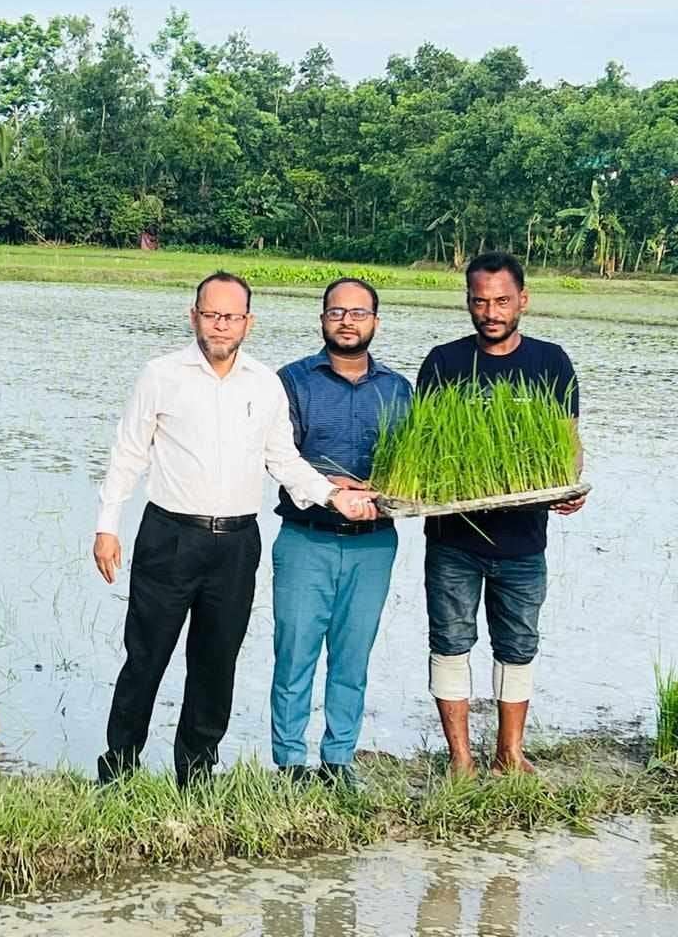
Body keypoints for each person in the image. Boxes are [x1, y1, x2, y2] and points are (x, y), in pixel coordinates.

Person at [92, 271, 380, 788]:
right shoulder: (161, 375)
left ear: (248, 321)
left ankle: (197, 774)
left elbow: (284, 461)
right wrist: (106, 527)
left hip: (237, 545)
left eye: (231, 316)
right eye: (211, 314)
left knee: (215, 662)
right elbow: (128, 453)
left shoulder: (264, 383)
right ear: (194, 316)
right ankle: (118, 770)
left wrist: (336, 497)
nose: (220, 325)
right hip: (169, 536)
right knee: (146, 657)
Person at [418, 251, 585, 777]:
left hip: (523, 542)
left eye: (502, 301)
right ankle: (461, 759)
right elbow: (421, 453)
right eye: (480, 301)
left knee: (518, 645)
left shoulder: (550, 362)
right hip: (453, 541)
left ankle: (509, 754)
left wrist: (571, 487)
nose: (490, 311)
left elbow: (569, 445)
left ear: (523, 301)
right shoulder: (443, 362)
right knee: (450, 642)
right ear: (468, 301)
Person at [270, 278, 412, 788]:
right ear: (322, 318)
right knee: (294, 652)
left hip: (374, 543)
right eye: (337, 312)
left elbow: (412, 462)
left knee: (353, 655)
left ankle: (338, 760)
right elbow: (279, 458)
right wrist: (332, 486)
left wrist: (388, 486)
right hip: (307, 537)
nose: (347, 321)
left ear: (376, 320)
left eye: (359, 312)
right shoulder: (290, 382)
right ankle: (289, 764)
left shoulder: (398, 389)